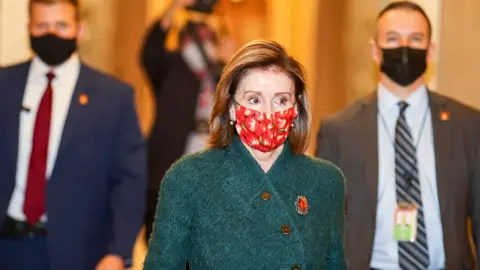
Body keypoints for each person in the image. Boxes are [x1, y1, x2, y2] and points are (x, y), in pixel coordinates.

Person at [143, 40, 346, 269]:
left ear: (295, 108)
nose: (268, 113)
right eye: (254, 100)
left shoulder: (325, 181)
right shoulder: (189, 178)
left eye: (281, 100)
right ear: (231, 107)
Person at [316, 1, 480, 269]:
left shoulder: (469, 125)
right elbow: (324, 226)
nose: (404, 47)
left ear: (430, 51)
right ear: (375, 50)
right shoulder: (339, 131)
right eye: (392, 38)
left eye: (416, 39)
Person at [0, 0, 146, 269]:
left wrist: (119, 251)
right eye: (42, 25)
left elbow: (129, 182)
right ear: (29, 29)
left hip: (80, 253)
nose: (51, 33)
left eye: (61, 25)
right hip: (8, 247)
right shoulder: (4, 85)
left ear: (80, 29)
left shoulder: (114, 97)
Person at [140, 0, 235, 243]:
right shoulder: (170, 66)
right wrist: (174, 9)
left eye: (207, 35)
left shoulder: (226, 72)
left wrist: (233, 63)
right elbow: (149, 52)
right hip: (169, 166)